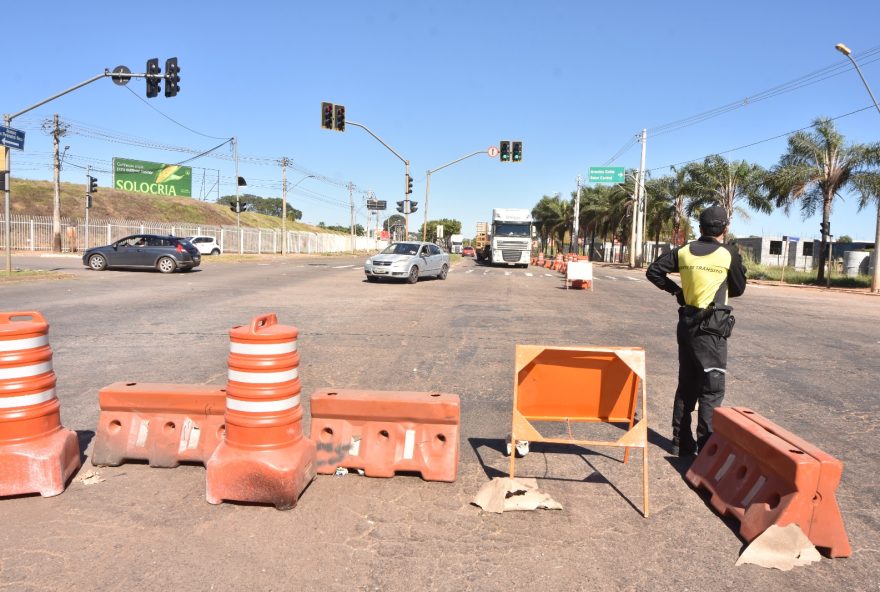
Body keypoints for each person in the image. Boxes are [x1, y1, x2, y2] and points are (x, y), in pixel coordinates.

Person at [646, 206, 746, 457]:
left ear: (700, 228)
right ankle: (706, 449)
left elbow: (654, 271)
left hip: (686, 325)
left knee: (687, 385)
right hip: (711, 330)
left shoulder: (683, 252)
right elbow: (739, 288)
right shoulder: (728, 254)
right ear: (725, 228)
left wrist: (678, 291)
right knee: (711, 389)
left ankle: (681, 442)